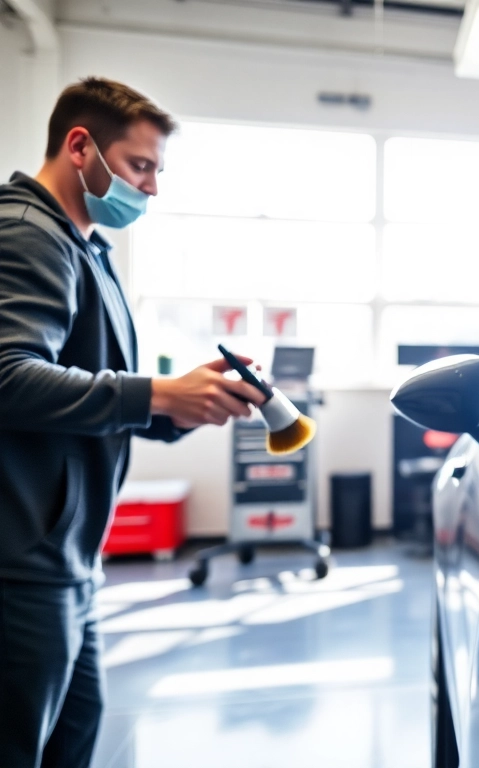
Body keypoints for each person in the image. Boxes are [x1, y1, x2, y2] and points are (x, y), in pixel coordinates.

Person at [0, 78, 267, 768]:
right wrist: (155, 395)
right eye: (139, 166)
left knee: (74, 734)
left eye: (156, 172)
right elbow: (8, 377)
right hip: (21, 563)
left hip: (69, 557)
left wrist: (187, 404)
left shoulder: (88, 250)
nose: (149, 188)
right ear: (79, 145)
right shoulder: (27, 238)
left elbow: (93, 389)